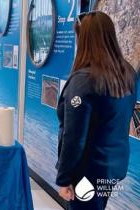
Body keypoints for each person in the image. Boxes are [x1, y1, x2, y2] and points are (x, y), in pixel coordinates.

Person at [56, 11, 137, 210]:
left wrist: (64, 177)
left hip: (88, 170)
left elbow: (74, 137)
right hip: (113, 167)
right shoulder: (127, 73)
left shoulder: (84, 80)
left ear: (84, 40)